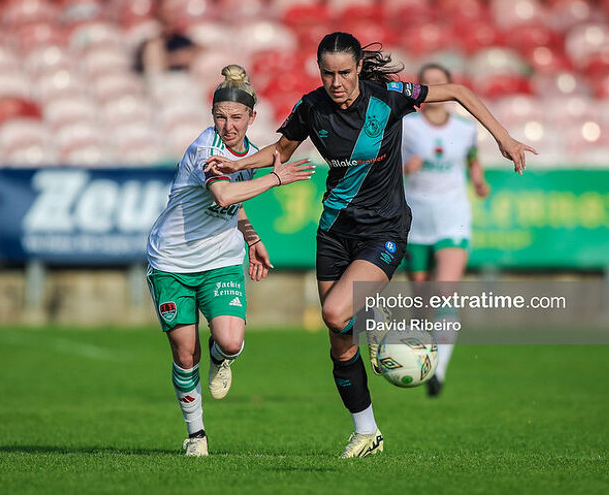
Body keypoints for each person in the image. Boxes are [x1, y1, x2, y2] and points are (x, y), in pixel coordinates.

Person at [206, 33, 535, 458]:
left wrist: (503, 138)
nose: (337, 82)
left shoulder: (390, 97)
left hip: (384, 231)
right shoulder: (311, 107)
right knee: (340, 341)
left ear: (359, 67)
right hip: (334, 231)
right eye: (328, 73)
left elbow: (456, 91)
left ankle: (377, 322)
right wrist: (237, 163)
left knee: (334, 310)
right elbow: (281, 151)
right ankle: (367, 433)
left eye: (344, 72)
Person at [146, 65, 314, 456]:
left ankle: (221, 358)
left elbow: (232, 207)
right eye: (221, 116)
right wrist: (278, 177)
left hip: (220, 260)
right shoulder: (207, 149)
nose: (228, 124)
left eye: (237, 117)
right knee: (185, 352)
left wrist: (252, 237)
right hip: (172, 261)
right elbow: (222, 196)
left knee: (231, 341)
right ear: (212, 117)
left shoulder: (252, 156)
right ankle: (196, 434)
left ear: (252, 118)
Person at [402, 63, 490, 398]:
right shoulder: (407, 126)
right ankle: (424, 358)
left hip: (453, 217)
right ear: (421, 90)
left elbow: (471, 158)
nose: (435, 90)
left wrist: (479, 180)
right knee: (423, 302)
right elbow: (383, 167)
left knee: (445, 292)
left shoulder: (466, 128)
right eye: (428, 84)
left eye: (441, 83)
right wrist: (404, 168)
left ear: (451, 87)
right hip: (415, 220)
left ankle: (439, 369)